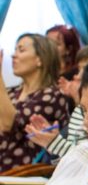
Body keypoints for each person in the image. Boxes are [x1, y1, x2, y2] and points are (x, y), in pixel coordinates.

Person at [24, 44, 88, 161]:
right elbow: (75, 153)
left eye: (87, 70)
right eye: (79, 70)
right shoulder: (80, 110)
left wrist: (54, 142)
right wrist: (53, 141)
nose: (77, 76)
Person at [0, 34, 71, 172]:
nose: (14, 56)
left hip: (24, 179)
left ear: (40, 60)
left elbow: (10, 124)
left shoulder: (52, 96)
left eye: (21, 50)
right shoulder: (11, 92)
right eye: (15, 50)